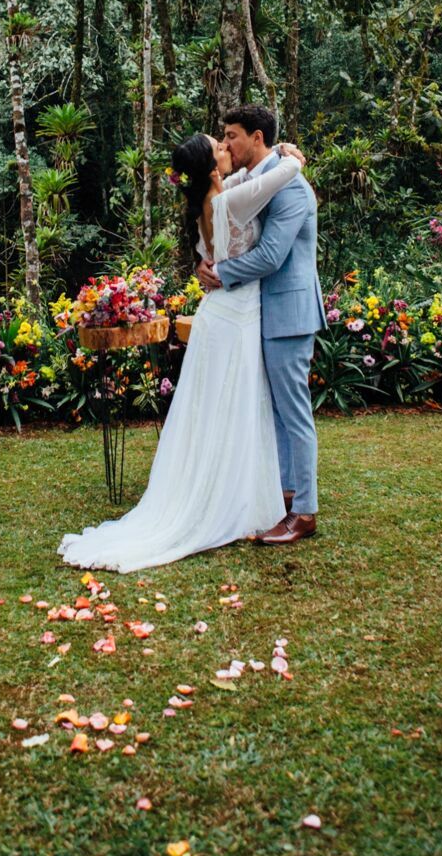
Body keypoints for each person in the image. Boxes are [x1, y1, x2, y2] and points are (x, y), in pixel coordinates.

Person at [57, 128, 308, 573]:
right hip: (236, 316)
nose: (227, 148)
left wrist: (204, 265)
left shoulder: (214, 199)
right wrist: (291, 155)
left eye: (226, 141)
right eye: (219, 146)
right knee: (236, 406)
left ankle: (237, 490)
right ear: (211, 165)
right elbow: (281, 175)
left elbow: (218, 233)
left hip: (223, 314)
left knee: (222, 409)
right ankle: (235, 499)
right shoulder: (231, 198)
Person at [197, 104, 325, 545]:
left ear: (256, 137)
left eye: (231, 135)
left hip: (289, 313)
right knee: (278, 413)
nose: (226, 143)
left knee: (294, 413)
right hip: (265, 313)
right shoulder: (260, 179)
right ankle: (287, 494)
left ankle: (304, 512)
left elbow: (272, 255)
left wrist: (222, 274)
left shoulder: (291, 189)